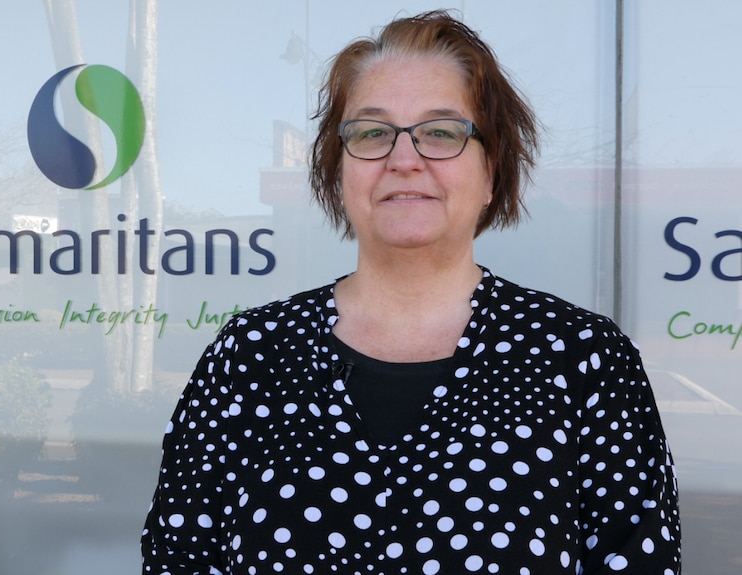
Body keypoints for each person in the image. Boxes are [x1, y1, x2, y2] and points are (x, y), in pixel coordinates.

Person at [142, 10, 681, 574]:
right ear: (338, 167)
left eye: (441, 132)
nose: (404, 159)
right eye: (372, 132)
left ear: (492, 168)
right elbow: (178, 558)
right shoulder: (251, 355)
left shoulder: (585, 360)